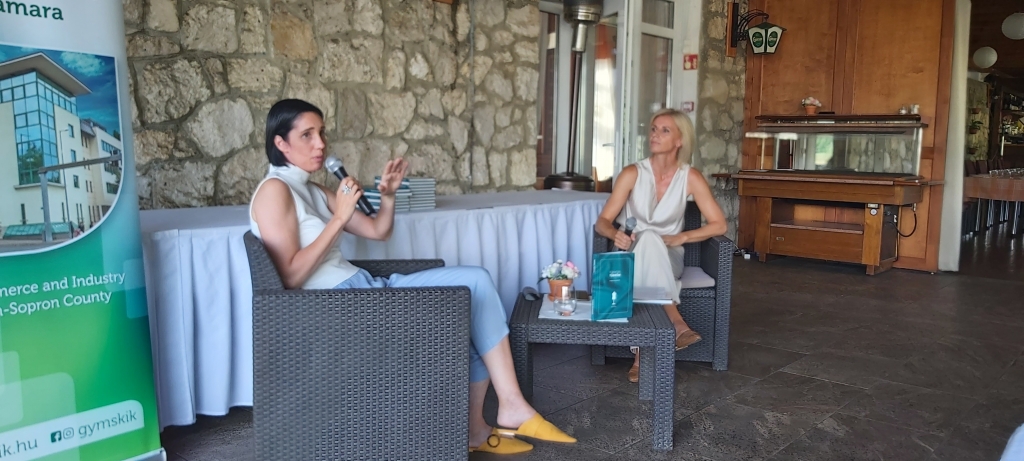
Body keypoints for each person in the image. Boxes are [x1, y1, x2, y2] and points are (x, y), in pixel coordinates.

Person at [249, 99, 574, 455]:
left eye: (322, 133)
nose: (321, 144)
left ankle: (477, 431)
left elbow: (378, 231)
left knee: (474, 304)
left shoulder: (310, 189)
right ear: (280, 143)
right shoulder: (274, 191)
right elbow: (290, 277)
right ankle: (509, 406)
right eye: (307, 135)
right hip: (343, 309)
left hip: (365, 291)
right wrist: (339, 218)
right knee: (476, 284)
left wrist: (387, 196)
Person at [595, 108, 728, 383]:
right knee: (646, 239)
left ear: (680, 140)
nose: (655, 135)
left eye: (665, 130)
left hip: (670, 257)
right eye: (654, 129)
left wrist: (682, 238)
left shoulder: (690, 177)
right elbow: (602, 222)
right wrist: (615, 233)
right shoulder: (632, 173)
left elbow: (719, 225)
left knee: (651, 240)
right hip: (629, 253)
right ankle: (676, 324)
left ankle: (641, 354)